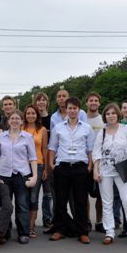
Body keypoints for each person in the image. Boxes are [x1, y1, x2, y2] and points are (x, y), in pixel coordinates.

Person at [48, 97, 95, 244]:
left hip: (80, 167)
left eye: (75, 108)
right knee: (61, 201)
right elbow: (52, 147)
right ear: (66, 110)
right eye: (70, 108)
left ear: (79, 110)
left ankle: (82, 231)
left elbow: (90, 149)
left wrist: (90, 166)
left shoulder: (86, 128)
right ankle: (60, 230)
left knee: (80, 201)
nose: (72, 111)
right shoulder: (59, 128)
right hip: (62, 167)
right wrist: (51, 163)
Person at [92, 103, 127, 245]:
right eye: (108, 113)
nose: (111, 116)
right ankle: (109, 232)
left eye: (113, 113)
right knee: (107, 202)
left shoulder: (126, 130)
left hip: (123, 170)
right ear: (105, 116)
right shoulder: (102, 132)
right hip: (105, 171)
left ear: (117, 114)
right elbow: (96, 152)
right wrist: (96, 170)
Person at [0, 110, 37, 244]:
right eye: (12, 118)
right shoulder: (2, 136)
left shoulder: (27, 137)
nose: (15, 121)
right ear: (8, 121)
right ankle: (5, 232)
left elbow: (33, 158)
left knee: (22, 204)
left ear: (22, 121)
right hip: (4, 175)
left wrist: (34, 176)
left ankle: (23, 233)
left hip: (21, 175)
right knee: (6, 205)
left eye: (18, 118)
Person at [23, 104, 48, 239]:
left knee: (33, 197)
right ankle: (23, 224)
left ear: (37, 115)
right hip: (23, 166)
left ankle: (31, 227)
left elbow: (44, 149)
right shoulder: (21, 129)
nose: (31, 115)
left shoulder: (42, 130)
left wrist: (45, 168)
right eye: (28, 113)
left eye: (33, 113)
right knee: (23, 197)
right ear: (25, 115)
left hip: (37, 166)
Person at [85, 92, 105, 233]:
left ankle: (99, 221)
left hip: (101, 161)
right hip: (84, 161)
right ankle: (86, 221)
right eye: (91, 100)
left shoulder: (103, 120)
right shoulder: (82, 119)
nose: (93, 102)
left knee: (100, 195)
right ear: (86, 103)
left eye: (96, 100)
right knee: (83, 194)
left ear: (99, 103)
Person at [33, 92, 53, 229]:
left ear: (47, 102)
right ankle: (32, 220)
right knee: (33, 194)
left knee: (48, 193)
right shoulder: (32, 119)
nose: (41, 102)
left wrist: (48, 165)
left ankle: (47, 218)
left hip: (48, 159)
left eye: (43, 100)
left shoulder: (52, 119)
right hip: (34, 162)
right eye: (38, 100)